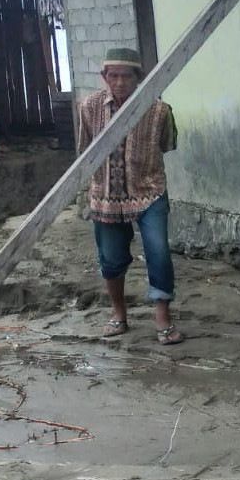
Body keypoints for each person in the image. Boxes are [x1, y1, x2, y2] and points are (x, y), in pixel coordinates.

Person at [77, 47, 184, 344]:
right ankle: (118, 314)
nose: (120, 82)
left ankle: (163, 317)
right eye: (113, 75)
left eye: (127, 76)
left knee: (158, 252)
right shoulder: (89, 107)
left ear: (139, 78)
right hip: (106, 195)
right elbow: (84, 150)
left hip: (149, 192)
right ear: (104, 76)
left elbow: (167, 144)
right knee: (111, 259)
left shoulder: (159, 110)